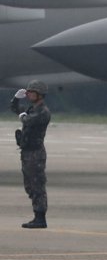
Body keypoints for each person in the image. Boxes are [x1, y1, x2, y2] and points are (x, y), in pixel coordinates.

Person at [9, 80, 51, 229]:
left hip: (35, 153)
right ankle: (37, 216)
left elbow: (28, 120)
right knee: (30, 185)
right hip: (27, 152)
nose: (28, 94)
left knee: (37, 184)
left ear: (39, 94)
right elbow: (17, 109)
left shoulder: (42, 111)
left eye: (31, 92)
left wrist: (22, 115)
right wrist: (16, 99)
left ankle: (40, 218)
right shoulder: (33, 108)